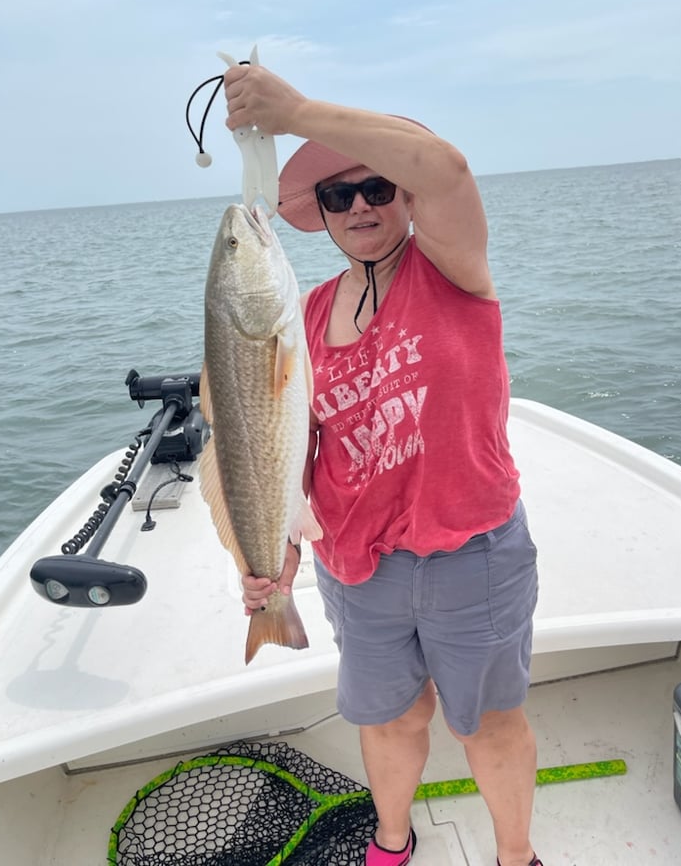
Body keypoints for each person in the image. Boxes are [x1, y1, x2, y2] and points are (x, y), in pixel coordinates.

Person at [223, 62, 542, 866]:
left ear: (404, 196)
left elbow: (451, 171)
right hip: (358, 567)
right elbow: (287, 439)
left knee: (488, 725)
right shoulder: (310, 311)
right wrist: (273, 550)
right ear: (322, 216)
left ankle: (515, 858)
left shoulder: (452, 270)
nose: (360, 204)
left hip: (472, 553)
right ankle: (391, 843)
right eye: (338, 196)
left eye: (379, 187)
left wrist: (295, 110)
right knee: (391, 720)